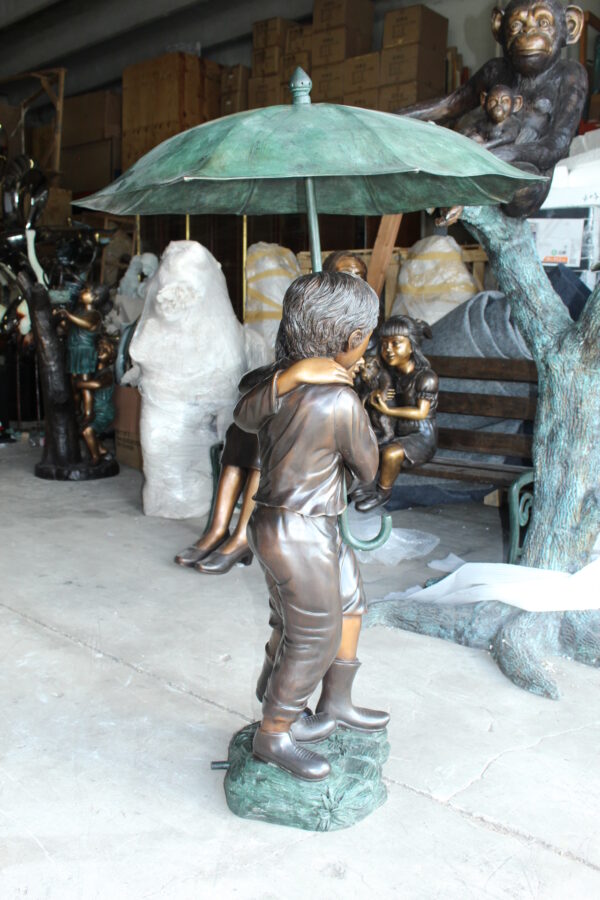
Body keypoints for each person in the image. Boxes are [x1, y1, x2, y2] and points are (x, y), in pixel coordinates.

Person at [234, 272, 389, 781]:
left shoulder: (276, 383)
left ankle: (334, 702)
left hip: (293, 524)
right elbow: (368, 468)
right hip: (300, 528)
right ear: (350, 342)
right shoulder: (340, 401)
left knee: (347, 604)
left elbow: (243, 415)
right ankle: (274, 731)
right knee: (314, 633)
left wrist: (294, 375)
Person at [175, 251, 370, 575]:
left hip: (331, 418)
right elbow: (283, 361)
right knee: (243, 432)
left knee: (270, 437)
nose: (351, 280)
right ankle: (217, 528)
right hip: (294, 396)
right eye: (342, 274)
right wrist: (299, 371)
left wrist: (355, 369)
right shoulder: (305, 316)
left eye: (356, 275)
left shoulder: (364, 324)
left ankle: (241, 536)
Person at [355, 315, 438, 512]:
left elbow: (421, 412)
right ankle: (361, 489)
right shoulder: (393, 376)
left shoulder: (426, 377)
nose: (388, 350)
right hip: (398, 433)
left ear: (412, 346)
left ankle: (383, 493)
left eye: (396, 343)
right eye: (384, 345)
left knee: (391, 454)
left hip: (421, 437)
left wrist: (388, 410)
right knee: (365, 446)